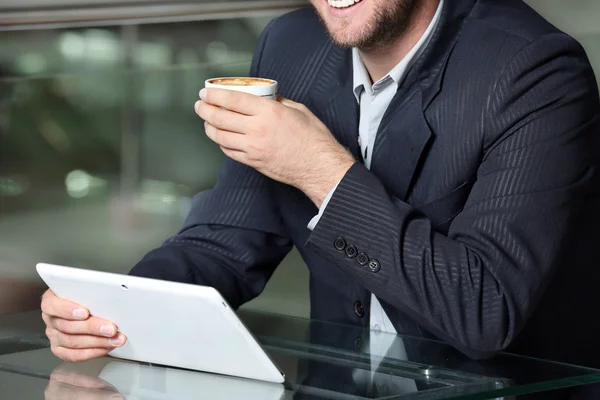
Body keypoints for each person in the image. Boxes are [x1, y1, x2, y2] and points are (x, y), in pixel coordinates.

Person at [41, 0, 600, 373]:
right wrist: (110, 311)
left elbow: (483, 311)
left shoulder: (534, 70)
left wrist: (316, 166)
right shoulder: (291, 44)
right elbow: (225, 243)